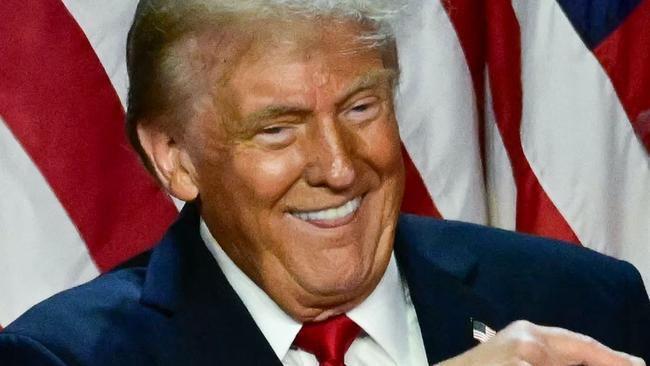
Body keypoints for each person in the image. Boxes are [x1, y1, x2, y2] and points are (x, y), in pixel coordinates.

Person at [0, 0, 648, 365]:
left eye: (361, 108)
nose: (338, 168)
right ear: (176, 158)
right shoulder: (65, 358)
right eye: (278, 129)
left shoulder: (585, 300)